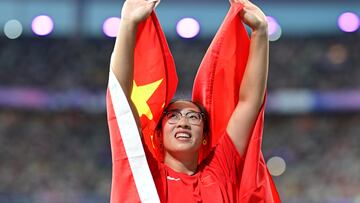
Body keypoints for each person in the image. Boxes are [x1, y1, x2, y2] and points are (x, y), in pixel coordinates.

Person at [110, 0, 269, 201]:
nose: (183, 123)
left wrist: (261, 32)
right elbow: (120, 98)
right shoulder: (144, 172)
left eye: (194, 117)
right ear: (158, 135)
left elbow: (250, 103)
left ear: (204, 136)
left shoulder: (220, 171)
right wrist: (128, 23)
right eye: (173, 116)